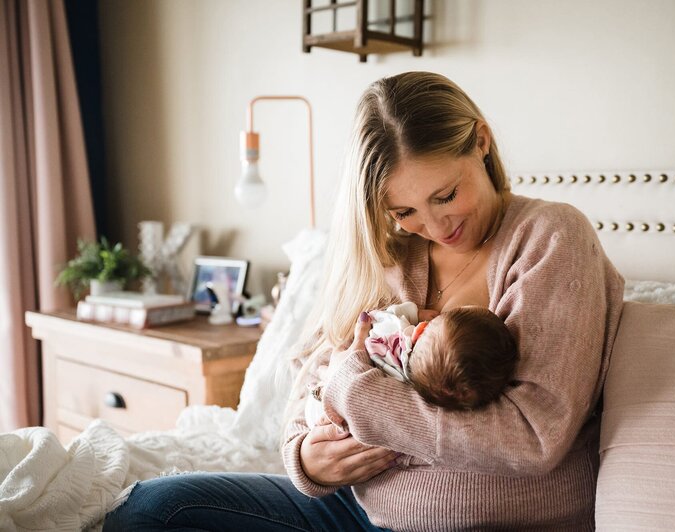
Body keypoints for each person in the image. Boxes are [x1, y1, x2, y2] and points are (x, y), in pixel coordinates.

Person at [103, 71, 624, 531]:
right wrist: (307, 458)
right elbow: (311, 376)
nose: (436, 227)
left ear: (481, 143)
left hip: (489, 520)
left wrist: (357, 395)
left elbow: (531, 437)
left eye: (445, 195)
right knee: (151, 510)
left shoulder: (551, 237)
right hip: (357, 510)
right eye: (405, 210)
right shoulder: (387, 252)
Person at [305, 302, 519, 429]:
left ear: (419, 330)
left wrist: (413, 313)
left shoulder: (392, 332)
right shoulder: (405, 389)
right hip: (333, 415)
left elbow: (378, 316)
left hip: (325, 395)